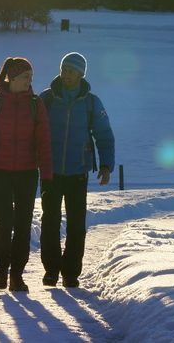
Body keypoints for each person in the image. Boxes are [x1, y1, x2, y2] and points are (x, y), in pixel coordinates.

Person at [0, 56, 53, 293]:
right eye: (25, 77)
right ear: (12, 78)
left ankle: (17, 274)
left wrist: (47, 176)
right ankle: (1, 269)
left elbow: (44, 143)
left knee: (23, 224)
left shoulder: (36, 105)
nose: (29, 81)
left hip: (27, 172)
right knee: (3, 223)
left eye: (31, 78)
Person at [39, 51, 115, 288]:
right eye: (64, 69)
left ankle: (71, 272)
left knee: (76, 224)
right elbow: (34, 132)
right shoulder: (46, 99)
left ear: (81, 73)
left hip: (78, 171)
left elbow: (104, 135)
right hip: (50, 171)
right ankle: (51, 271)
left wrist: (105, 165)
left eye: (71, 71)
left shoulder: (92, 102)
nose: (66, 74)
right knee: (49, 222)